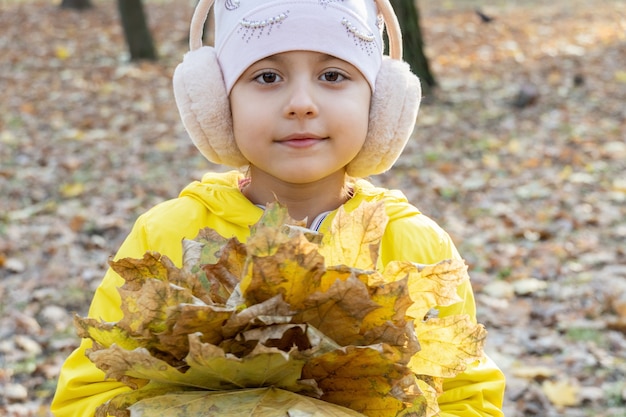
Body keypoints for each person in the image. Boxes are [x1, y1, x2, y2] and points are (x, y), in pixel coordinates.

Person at [51, 0, 506, 415]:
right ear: (216, 104)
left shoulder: (415, 245)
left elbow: (468, 399)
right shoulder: (168, 234)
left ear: (382, 105)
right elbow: (89, 394)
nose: (302, 105)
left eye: (333, 75)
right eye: (267, 77)